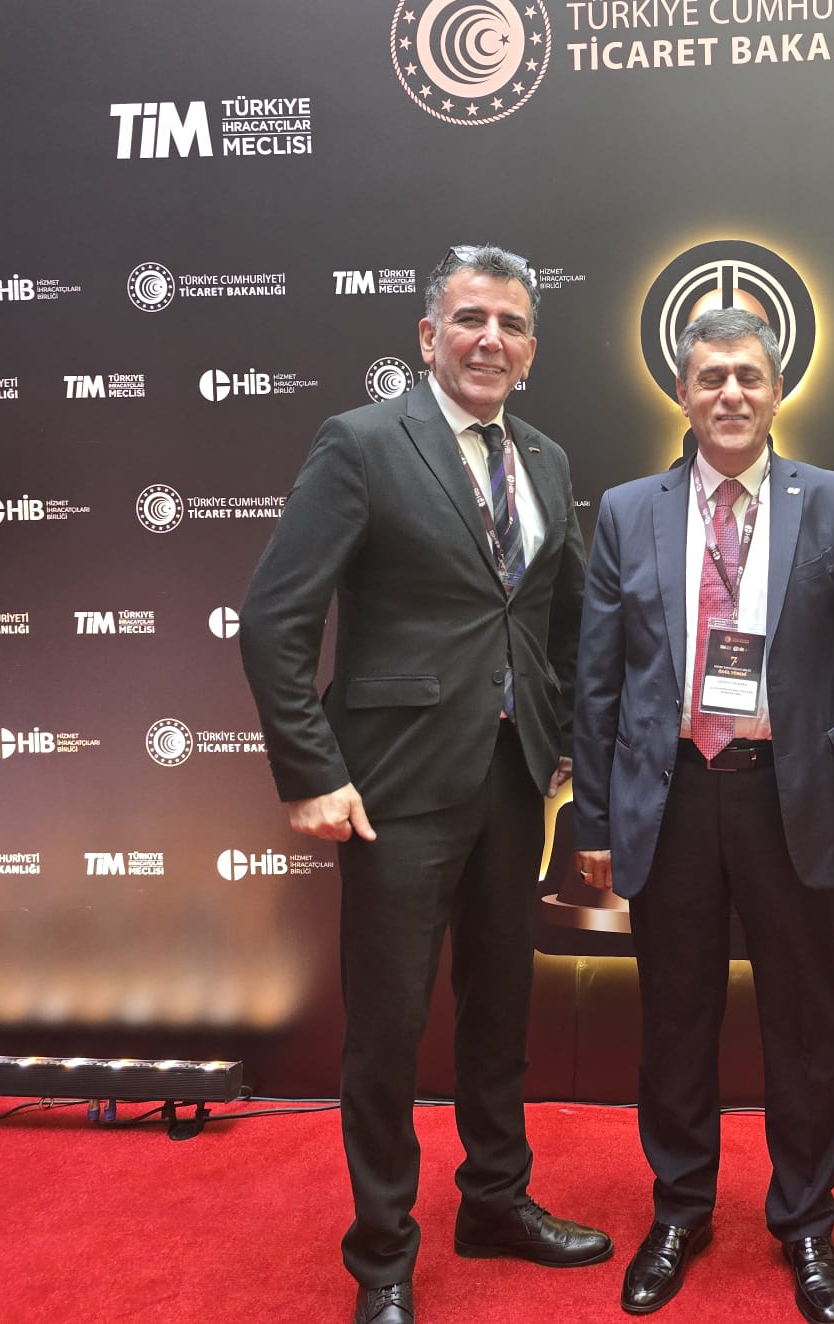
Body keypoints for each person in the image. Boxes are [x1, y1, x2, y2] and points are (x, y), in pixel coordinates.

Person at [240, 245, 609, 1324]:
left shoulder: (544, 458)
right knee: (389, 1027)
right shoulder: (361, 443)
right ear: (427, 335)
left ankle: (494, 1200)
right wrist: (312, 772)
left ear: (532, 349)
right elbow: (273, 619)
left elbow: (563, 617)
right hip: (392, 788)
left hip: (513, 780)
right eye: (470, 318)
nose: (490, 338)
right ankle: (383, 1256)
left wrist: (566, 742)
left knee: (501, 1009)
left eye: (511, 324)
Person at [572, 308, 834, 1323]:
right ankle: (679, 1211)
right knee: (674, 1016)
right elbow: (598, 681)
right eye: (710, 377)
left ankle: (806, 1222)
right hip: (672, 796)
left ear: (777, 390)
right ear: (682, 393)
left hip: (792, 794)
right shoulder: (627, 511)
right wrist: (593, 823)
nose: (730, 393)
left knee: (804, 1021)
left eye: (748, 375)